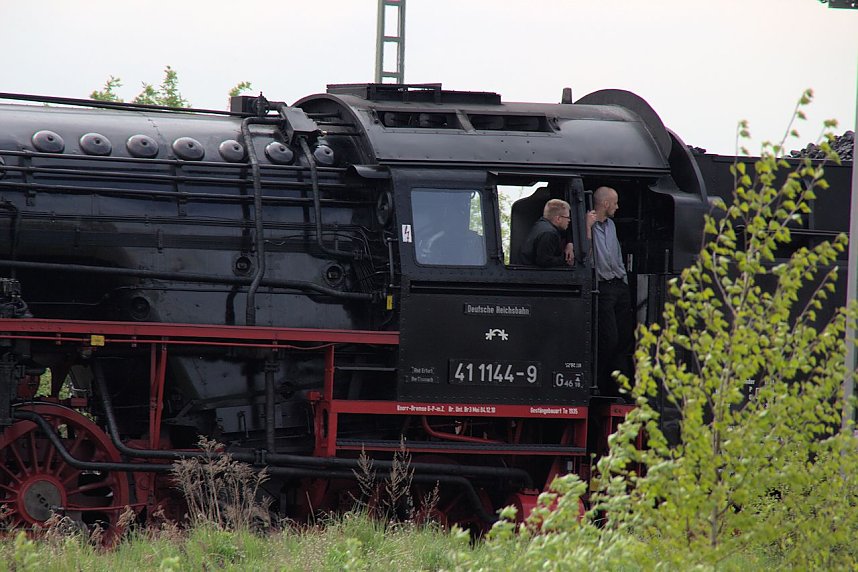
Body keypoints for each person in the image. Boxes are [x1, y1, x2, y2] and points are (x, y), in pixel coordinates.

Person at [587, 186, 633, 398]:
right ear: (605, 204)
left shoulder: (612, 225)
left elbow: (616, 253)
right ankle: (597, 382)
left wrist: (623, 278)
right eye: (614, 202)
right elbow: (584, 253)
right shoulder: (589, 223)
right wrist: (588, 228)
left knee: (624, 339)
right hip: (602, 285)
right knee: (609, 338)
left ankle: (618, 387)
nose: (617, 206)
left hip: (618, 284)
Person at [520, 199, 575, 267]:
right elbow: (545, 262)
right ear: (558, 219)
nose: (569, 220)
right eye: (568, 217)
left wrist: (569, 243)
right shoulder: (549, 234)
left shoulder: (540, 225)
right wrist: (567, 259)